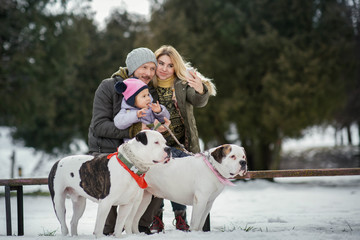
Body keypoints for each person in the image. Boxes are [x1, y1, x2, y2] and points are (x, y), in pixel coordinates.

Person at [139, 45, 217, 233]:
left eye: (170, 65)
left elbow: (198, 100)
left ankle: (181, 218)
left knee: (184, 180)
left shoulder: (182, 84)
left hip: (182, 141)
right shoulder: (147, 85)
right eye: (161, 63)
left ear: (176, 68)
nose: (164, 68)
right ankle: (155, 218)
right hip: (156, 144)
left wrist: (200, 89)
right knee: (157, 180)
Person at [88, 47, 161, 235]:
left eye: (152, 69)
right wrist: (135, 130)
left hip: (137, 155)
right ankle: (108, 229)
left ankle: (142, 226)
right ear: (132, 67)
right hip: (106, 150)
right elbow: (99, 126)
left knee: (157, 175)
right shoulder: (108, 87)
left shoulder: (149, 92)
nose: (149, 73)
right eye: (144, 67)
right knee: (112, 223)